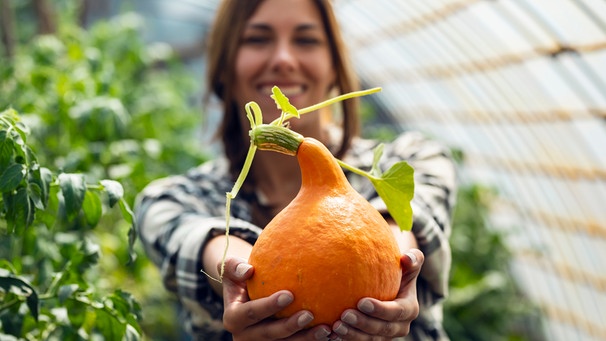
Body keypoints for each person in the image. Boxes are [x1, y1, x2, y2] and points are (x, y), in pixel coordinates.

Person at [135, 0, 456, 340]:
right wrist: (244, 276)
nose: (284, 60)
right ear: (224, 66)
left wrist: (391, 265)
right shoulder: (173, 199)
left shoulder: (416, 157)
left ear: (335, 64)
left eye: (306, 40)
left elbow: (404, 218)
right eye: (257, 39)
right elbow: (195, 239)